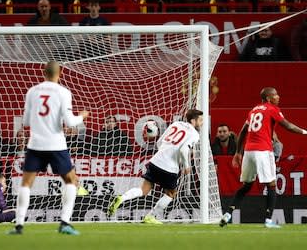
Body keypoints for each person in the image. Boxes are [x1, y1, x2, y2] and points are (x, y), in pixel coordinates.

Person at [9, 61, 89, 235]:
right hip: (56, 145)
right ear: (59, 73)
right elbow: (69, 122)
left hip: (36, 144)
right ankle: (65, 223)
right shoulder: (63, 92)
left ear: (43, 72)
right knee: (71, 181)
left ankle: (19, 225)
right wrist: (81, 116)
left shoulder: (32, 92)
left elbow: (26, 122)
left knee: (26, 184)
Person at [219, 87, 307, 228]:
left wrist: (238, 152)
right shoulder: (272, 109)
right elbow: (288, 126)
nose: (278, 97)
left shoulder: (254, 110)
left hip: (249, 151)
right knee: (271, 185)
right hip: (263, 151)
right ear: (268, 98)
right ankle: (268, 221)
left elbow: (242, 132)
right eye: (275, 95)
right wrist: (305, 132)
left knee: (247, 185)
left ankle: (228, 213)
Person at [107, 109, 204, 224]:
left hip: (156, 161)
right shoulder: (194, 134)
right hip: (170, 167)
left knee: (143, 190)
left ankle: (122, 198)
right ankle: (150, 216)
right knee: (171, 193)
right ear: (193, 121)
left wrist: (166, 151)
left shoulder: (176, 124)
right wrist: (186, 166)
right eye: (200, 120)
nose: (202, 123)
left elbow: (159, 142)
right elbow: (183, 150)